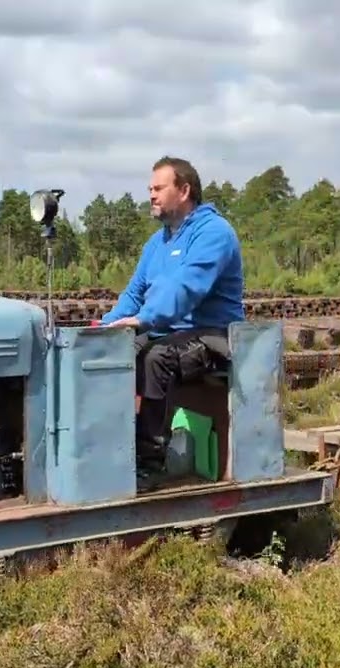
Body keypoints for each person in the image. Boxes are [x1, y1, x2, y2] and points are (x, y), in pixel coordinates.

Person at [99, 156, 245, 467]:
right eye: (149, 188)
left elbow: (187, 287)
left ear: (184, 190)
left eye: (159, 188)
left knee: (155, 357)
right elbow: (135, 292)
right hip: (170, 331)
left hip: (213, 335)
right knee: (114, 354)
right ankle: (110, 450)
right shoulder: (156, 243)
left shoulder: (214, 232)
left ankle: (151, 458)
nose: (151, 195)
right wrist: (104, 329)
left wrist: (144, 319)